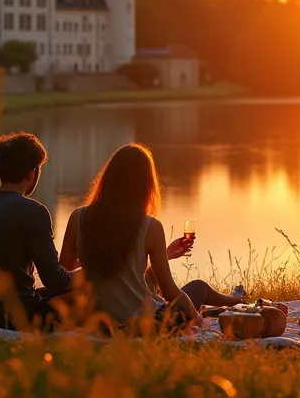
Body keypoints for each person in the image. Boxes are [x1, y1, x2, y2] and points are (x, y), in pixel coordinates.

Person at [58, 143, 243, 333]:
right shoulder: (150, 226)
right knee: (198, 289)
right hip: (145, 324)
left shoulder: (77, 218)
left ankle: (235, 300)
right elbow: (170, 291)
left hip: (100, 322)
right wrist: (195, 319)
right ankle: (236, 302)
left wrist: (93, 259)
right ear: (145, 184)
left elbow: (63, 276)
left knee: (197, 289)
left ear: (108, 178)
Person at [0, 132, 77, 330]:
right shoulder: (35, 211)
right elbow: (56, 280)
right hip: (19, 317)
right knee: (89, 295)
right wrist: (90, 272)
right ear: (32, 173)